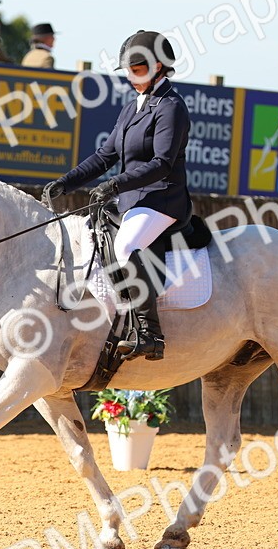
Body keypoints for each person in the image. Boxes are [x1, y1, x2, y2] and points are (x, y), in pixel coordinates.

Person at [42, 30, 192, 361]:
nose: (131, 76)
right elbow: (105, 155)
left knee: (126, 245)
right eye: (128, 69)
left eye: (138, 69)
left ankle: (150, 334)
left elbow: (162, 164)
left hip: (161, 198)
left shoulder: (171, 107)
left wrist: (115, 185)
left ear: (158, 67)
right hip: (131, 198)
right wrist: (66, 182)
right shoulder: (131, 108)